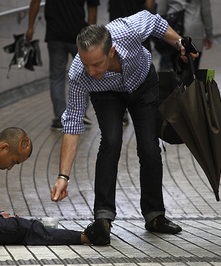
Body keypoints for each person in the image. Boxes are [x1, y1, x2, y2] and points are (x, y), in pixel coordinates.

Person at [50, 11, 199, 244]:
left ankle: (155, 215)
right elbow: (73, 123)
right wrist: (63, 176)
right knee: (110, 140)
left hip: (143, 84)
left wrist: (179, 42)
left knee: (149, 147)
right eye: (85, 64)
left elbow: (154, 21)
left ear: (111, 51)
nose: (90, 71)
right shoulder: (80, 74)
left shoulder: (127, 31)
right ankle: (103, 217)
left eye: (96, 64)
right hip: (106, 94)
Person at [26, 0, 99, 131]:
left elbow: (35, 2)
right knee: (84, 75)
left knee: (56, 77)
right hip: (79, 35)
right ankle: (80, 114)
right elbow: (92, 9)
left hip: (55, 34)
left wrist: (30, 27)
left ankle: (60, 118)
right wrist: (91, 38)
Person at [108, 0, 156, 126]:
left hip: (116, 34)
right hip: (138, 31)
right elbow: (150, 5)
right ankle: (143, 111)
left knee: (118, 73)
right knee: (142, 73)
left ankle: (121, 112)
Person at [157, 0, 213, 70]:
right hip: (194, 31)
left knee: (177, 70)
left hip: (174, 30)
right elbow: (206, 12)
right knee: (193, 69)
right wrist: (209, 34)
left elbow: (161, 12)